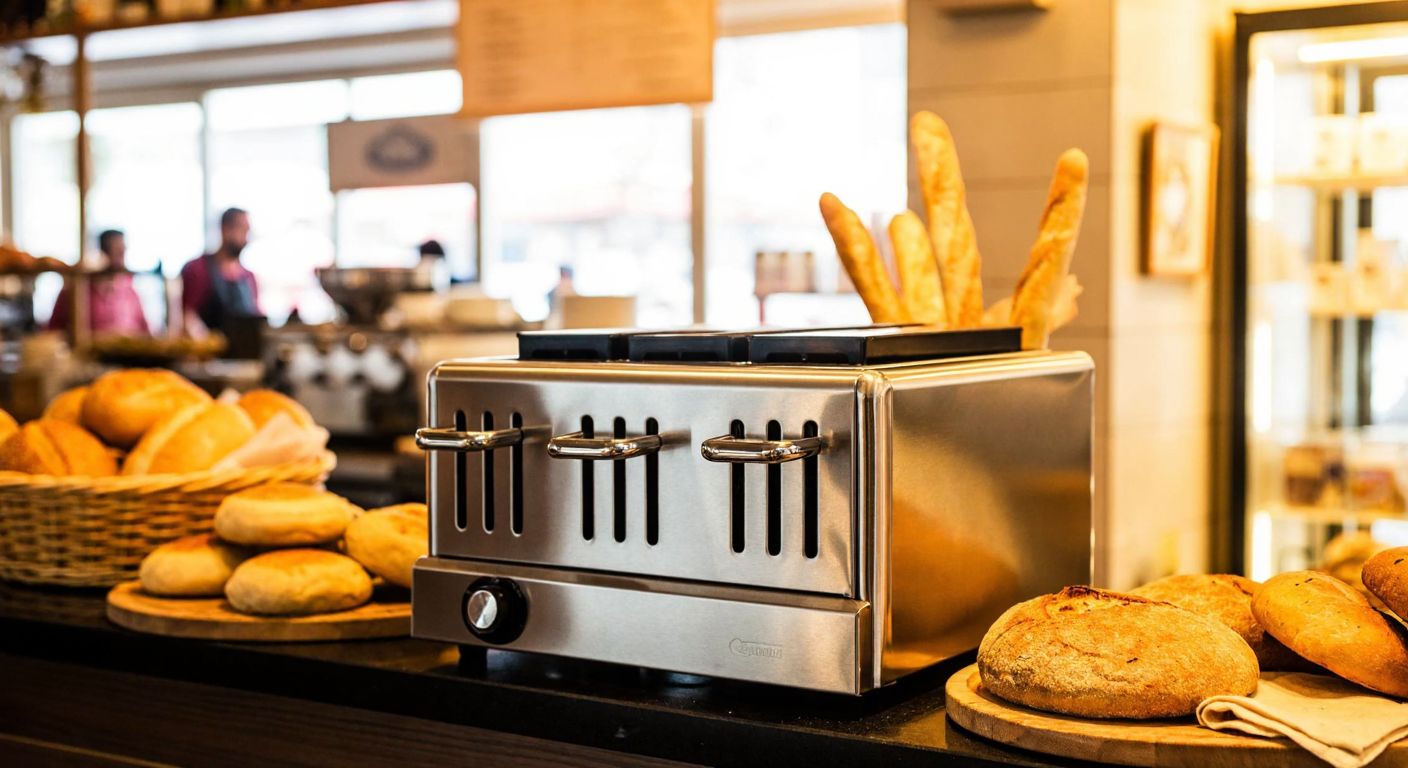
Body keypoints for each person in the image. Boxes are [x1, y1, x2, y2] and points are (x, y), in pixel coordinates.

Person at [48, 229, 150, 335]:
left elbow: (146, 330)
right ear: (102, 252)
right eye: (117, 250)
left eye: (123, 250)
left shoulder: (130, 290)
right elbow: (53, 331)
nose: (122, 255)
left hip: (130, 350)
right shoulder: (75, 291)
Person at [181, 208, 260, 335]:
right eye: (242, 229)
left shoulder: (249, 277)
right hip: (210, 352)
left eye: (247, 231)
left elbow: (255, 319)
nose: (246, 238)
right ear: (225, 229)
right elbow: (187, 317)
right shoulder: (198, 269)